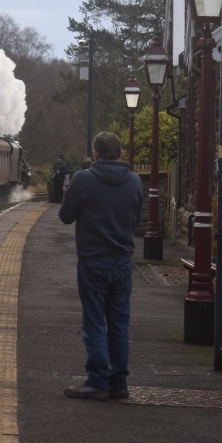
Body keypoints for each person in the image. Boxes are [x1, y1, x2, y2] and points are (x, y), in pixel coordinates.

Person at [58, 131, 143, 401]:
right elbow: (136, 218)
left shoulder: (84, 179)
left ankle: (97, 380)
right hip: (123, 262)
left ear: (95, 153)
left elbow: (65, 217)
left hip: (93, 261)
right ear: (120, 153)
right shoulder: (134, 181)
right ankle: (118, 383)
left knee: (95, 322)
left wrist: (68, 196)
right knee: (119, 324)